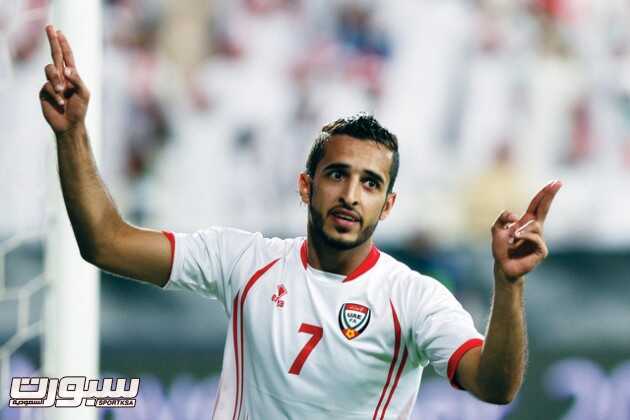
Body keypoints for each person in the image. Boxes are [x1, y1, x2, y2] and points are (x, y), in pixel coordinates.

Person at [39, 24, 562, 419]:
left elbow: (495, 387)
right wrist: (72, 133)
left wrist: (508, 285)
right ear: (305, 185)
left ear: (389, 205)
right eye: (337, 174)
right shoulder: (245, 262)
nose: (352, 195)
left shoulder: (413, 299)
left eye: (371, 184)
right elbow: (105, 243)